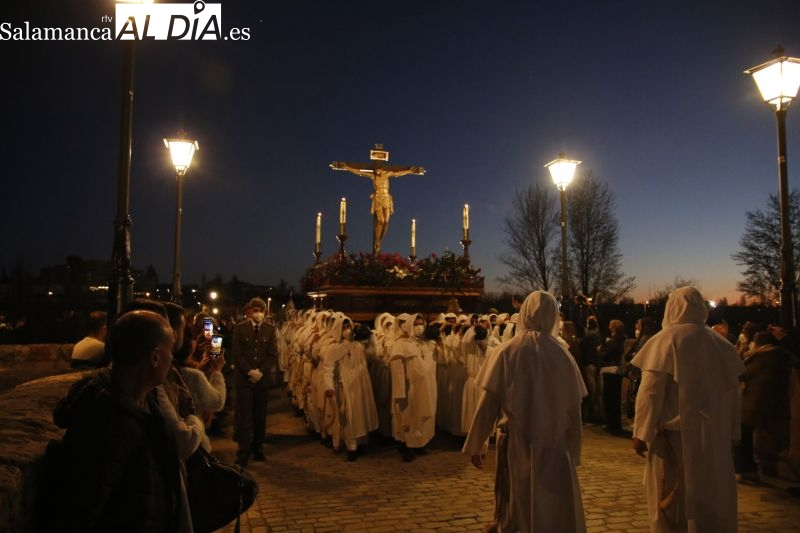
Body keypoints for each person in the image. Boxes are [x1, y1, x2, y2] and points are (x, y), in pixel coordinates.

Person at [41, 310, 187, 532]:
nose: (171, 359)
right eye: (168, 352)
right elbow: (79, 514)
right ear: (155, 356)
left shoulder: (140, 404)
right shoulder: (108, 425)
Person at [463, 291, 587, 533]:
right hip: (554, 445)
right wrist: (574, 448)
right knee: (550, 507)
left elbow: (488, 404)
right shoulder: (562, 354)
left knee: (515, 508)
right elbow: (574, 410)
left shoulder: (506, 351)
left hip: (516, 444)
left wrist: (477, 444)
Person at [631, 287, 744, 533]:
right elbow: (733, 395)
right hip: (714, 438)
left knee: (674, 503)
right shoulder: (721, 345)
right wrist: (733, 432)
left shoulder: (665, 340)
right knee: (712, 497)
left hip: (675, 440)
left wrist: (641, 432)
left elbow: (650, 393)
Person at [329, 159, 425, 255]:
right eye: (375, 170)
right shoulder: (373, 176)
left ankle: (380, 240)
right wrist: (347, 167)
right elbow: (360, 172)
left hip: (387, 199)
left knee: (386, 221)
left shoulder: (387, 174)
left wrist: (409, 171)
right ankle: (376, 242)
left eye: (378, 170)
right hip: (378, 199)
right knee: (380, 220)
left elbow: (398, 173)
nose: (376, 171)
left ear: (381, 169)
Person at [231, 297, 278, 466]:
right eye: (255, 310)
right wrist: (249, 371)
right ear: (250, 312)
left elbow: (273, 355)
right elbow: (237, 354)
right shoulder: (240, 329)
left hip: (262, 380)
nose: (258, 313)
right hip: (244, 380)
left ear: (265, 313)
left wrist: (260, 371)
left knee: (260, 416)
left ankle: (258, 447)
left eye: (261, 310)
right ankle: (243, 451)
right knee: (245, 417)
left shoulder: (270, 330)